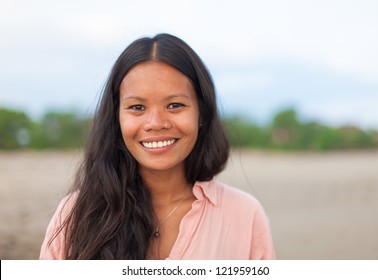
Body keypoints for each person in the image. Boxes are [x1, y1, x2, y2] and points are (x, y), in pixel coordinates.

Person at [39, 33, 275, 260]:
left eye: (174, 105)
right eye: (137, 108)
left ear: (202, 113)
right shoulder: (75, 213)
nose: (155, 123)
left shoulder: (244, 215)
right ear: (116, 118)